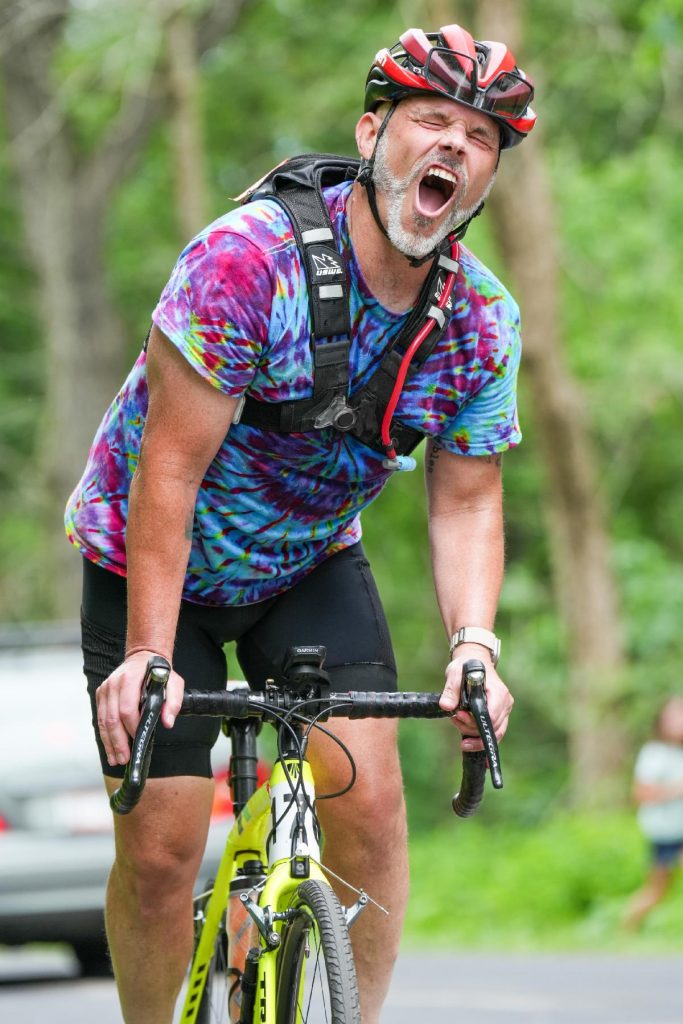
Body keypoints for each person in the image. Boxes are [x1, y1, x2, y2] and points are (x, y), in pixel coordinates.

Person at [65, 23, 536, 1024]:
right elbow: (170, 473)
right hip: (154, 558)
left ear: (490, 176)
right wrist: (149, 654)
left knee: (366, 804)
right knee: (159, 846)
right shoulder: (247, 262)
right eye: (428, 120)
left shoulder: (478, 322)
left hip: (303, 563)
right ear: (371, 134)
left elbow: (465, 496)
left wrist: (475, 647)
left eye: (479, 136)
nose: (453, 145)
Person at [623, 696, 683, 931]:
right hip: (665, 831)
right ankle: (626, 927)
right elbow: (640, 794)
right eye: (675, 716)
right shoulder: (654, 753)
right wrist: (675, 789)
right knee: (656, 890)